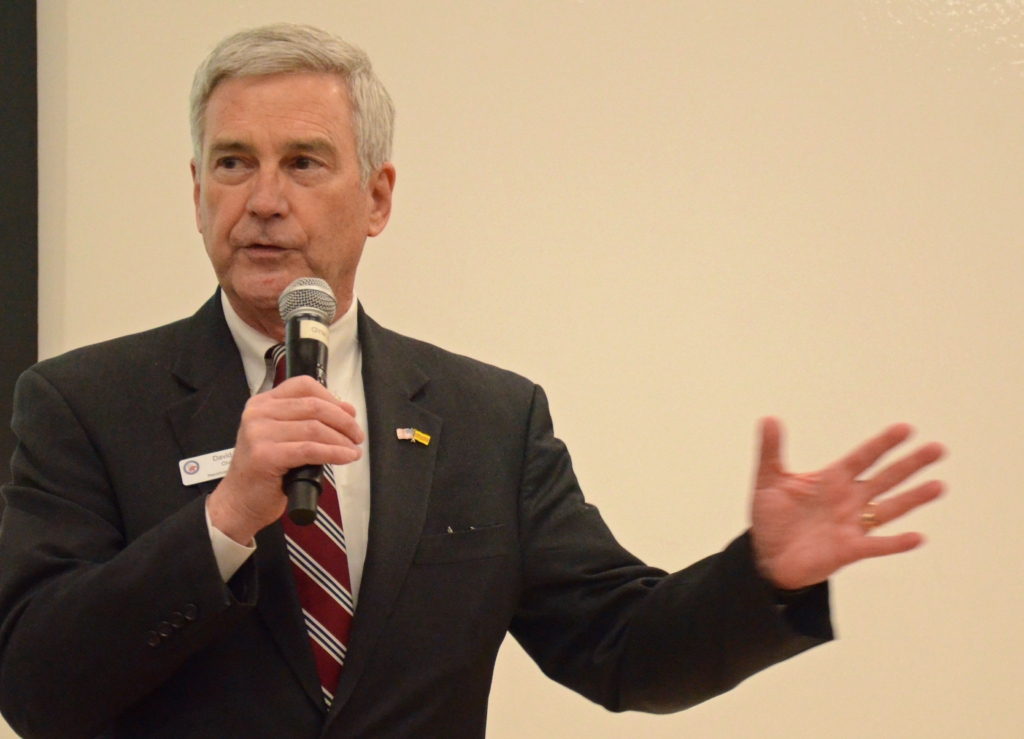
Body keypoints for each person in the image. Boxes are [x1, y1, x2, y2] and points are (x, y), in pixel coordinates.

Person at [0, 23, 945, 739]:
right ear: (196, 190)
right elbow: (36, 686)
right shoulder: (81, 403)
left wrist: (764, 576)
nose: (264, 199)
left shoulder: (489, 420)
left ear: (377, 197)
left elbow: (620, 647)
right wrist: (223, 522)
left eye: (304, 162)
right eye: (233, 163)